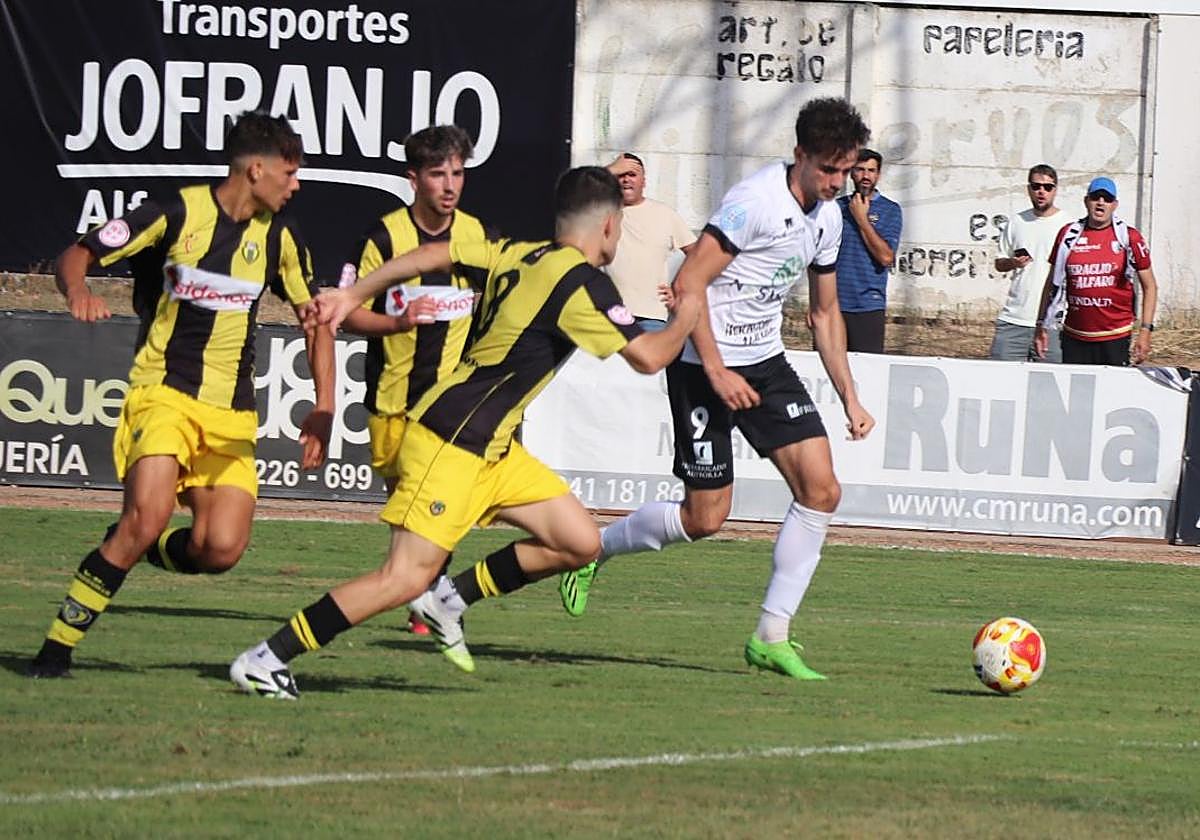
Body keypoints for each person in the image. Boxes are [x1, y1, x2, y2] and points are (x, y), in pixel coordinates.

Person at [229, 166, 701, 698]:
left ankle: (447, 600)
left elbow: (435, 254)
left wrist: (352, 293)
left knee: (580, 542)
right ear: (610, 226)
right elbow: (650, 357)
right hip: (452, 439)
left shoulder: (521, 252)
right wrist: (687, 312)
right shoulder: (582, 284)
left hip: (491, 446)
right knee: (402, 578)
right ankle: (267, 658)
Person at [558, 97, 875, 682]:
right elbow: (688, 283)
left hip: (766, 363)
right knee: (706, 519)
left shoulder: (829, 218)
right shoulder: (753, 203)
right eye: (827, 169)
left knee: (822, 489)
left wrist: (850, 396)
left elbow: (826, 314)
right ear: (800, 154)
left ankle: (771, 636)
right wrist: (716, 369)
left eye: (845, 170)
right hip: (700, 365)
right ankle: (595, 550)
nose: (836, 182)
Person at [28, 111, 335, 678]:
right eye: (290, 173)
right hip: (163, 393)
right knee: (147, 516)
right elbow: (80, 252)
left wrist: (324, 406)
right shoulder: (174, 213)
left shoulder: (281, 239)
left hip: (231, 415)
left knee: (221, 549)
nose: (296, 185)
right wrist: (77, 289)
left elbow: (317, 323)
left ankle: (134, 544)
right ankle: (54, 653)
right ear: (257, 169)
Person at [339, 125, 487, 636]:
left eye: (458, 174)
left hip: (448, 407)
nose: (450, 185)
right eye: (438, 174)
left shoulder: (475, 237)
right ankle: (419, 596)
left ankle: (424, 606)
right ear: (413, 179)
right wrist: (397, 323)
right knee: (415, 518)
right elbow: (347, 314)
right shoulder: (383, 238)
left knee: (436, 512)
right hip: (391, 405)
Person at [1034, 176, 1157, 366]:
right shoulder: (1068, 234)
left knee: (1111, 394)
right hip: (1075, 336)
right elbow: (1051, 283)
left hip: (1114, 336)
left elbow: (1150, 287)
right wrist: (1040, 324)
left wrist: (1146, 331)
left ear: (1114, 205)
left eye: (1107, 199)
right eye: (1095, 197)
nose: (1101, 203)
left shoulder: (1129, 237)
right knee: (1075, 394)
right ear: (1086, 201)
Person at [605, 152, 696, 331]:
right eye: (620, 175)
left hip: (651, 317)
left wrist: (680, 289)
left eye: (632, 175)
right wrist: (609, 170)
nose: (626, 180)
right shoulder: (602, 212)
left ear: (643, 181)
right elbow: (576, 192)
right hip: (609, 315)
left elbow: (698, 254)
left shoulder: (665, 214)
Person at [991, 164, 1064, 362]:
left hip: (1052, 324)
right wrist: (1012, 262)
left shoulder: (1068, 225)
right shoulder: (1016, 222)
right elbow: (999, 263)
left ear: (1055, 190)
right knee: (999, 382)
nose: (1042, 192)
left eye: (1048, 187)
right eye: (1036, 186)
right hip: (1014, 319)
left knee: (1050, 387)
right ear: (1029, 189)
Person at [833, 148, 902, 353]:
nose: (865, 176)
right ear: (851, 173)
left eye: (871, 171)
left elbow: (885, 257)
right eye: (860, 170)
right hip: (833, 306)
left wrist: (861, 219)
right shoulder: (835, 208)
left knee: (868, 374)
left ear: (878, 175)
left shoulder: (890, 210)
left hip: (868, 306)